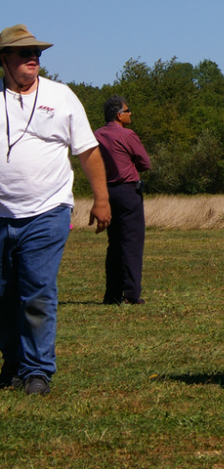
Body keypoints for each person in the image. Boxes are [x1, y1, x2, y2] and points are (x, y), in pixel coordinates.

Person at [0, 24, 111, 396]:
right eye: (23, 53)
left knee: (37, 291)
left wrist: (101, 199)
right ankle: (13, 364)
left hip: (48, 210)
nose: (33, 58)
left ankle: (37, 371)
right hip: (2, 215)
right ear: (4, 59)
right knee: (4, 295)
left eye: (37, 54)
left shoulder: (61, 97)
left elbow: (88, 150)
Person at [94, 95, 151, 305]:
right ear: (119, 115)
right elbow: (145, 162)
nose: (130, 114)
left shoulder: (96, 135)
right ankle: (131, 294)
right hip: (128, 192)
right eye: (128, 111)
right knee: (132, 244)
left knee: (114, 243)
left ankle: (112, 293)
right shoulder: (128, 135)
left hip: (106, 193)